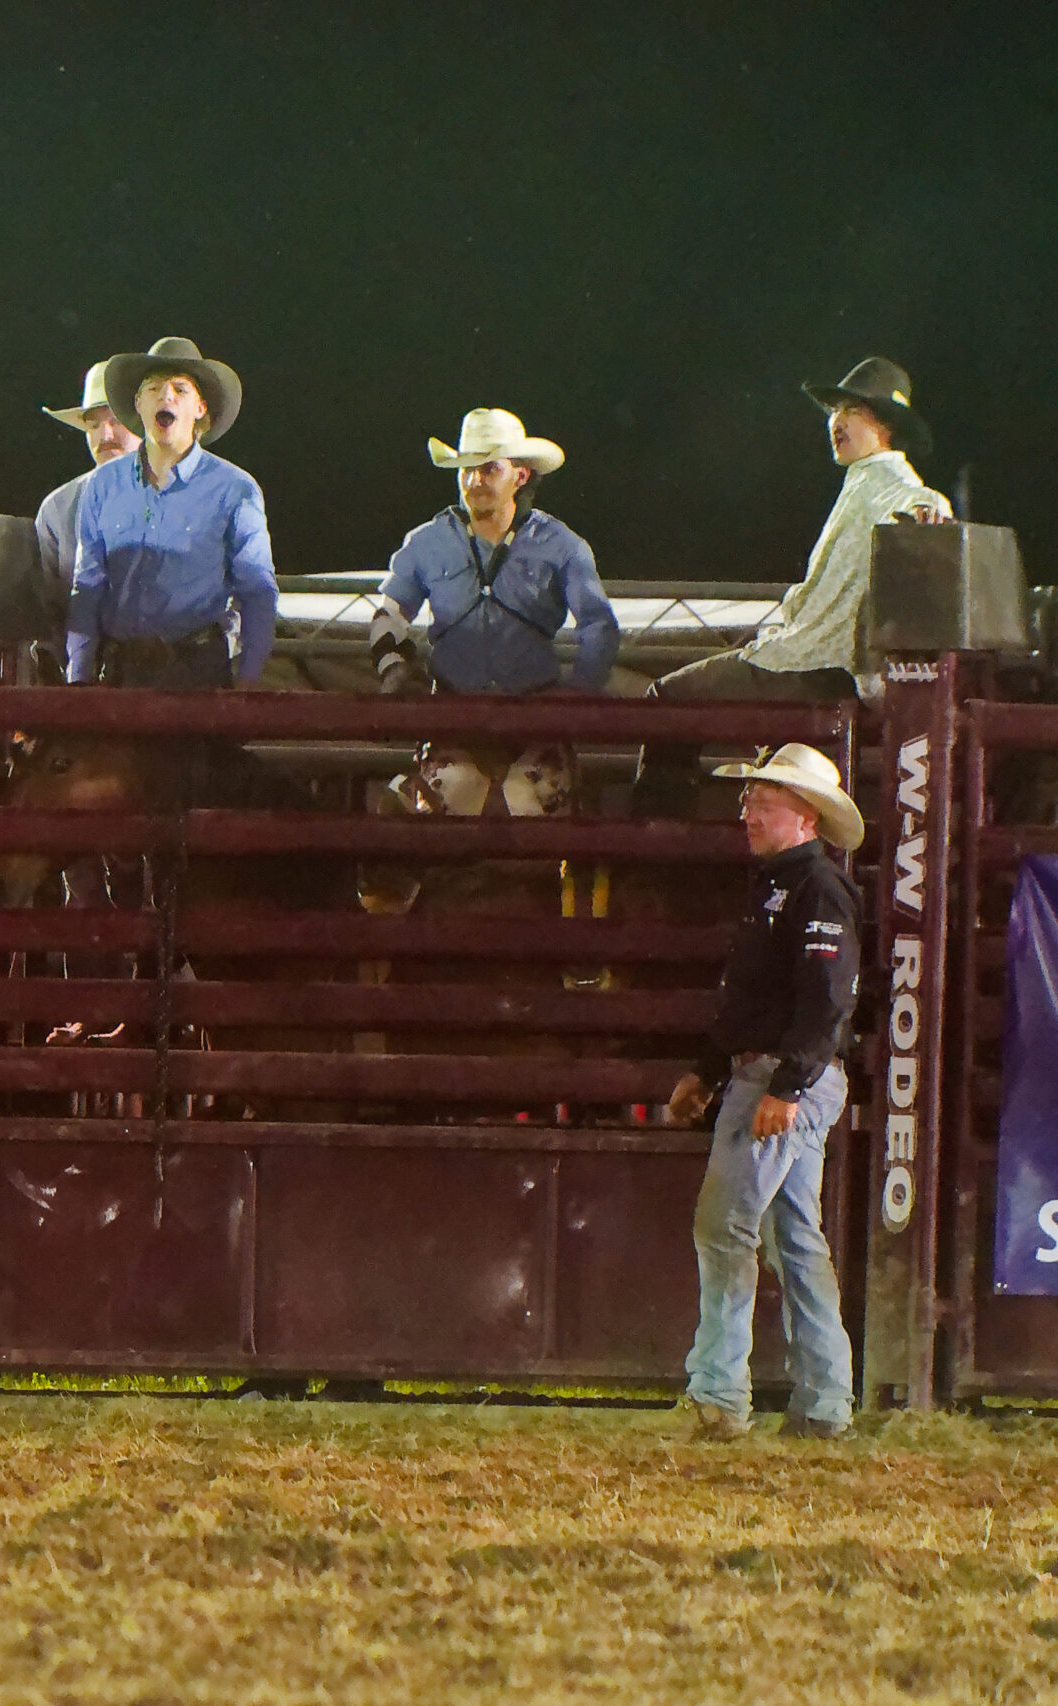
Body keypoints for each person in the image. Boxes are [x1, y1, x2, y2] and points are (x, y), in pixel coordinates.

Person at [630, 359, 952, 816]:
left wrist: (928, 508)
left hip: (811, 663)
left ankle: (657, 829)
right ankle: (683, 828)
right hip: (819, 663)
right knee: (774, 781)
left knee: (668, 697)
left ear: (883, 424)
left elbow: (917, 499)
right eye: (835, 411)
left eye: (851, 411)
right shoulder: (864, 481)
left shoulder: (887, 480)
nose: (836, 421)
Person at [664, 743, 864, 1441]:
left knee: (725, 1227)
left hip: (782, 1081)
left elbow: (825, 999)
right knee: (791, 1237)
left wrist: (786, 1083)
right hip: (779, 1076)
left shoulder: (815, 891)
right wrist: (710, 1067)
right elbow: (775, 996)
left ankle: (719, 1395)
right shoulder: (789, 885)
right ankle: (824, 1402)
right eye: (749, 800)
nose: (748, 812)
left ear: (803, 815)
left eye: (763, 801)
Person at [370, 408, 619, 818]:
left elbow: (599, 627)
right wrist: (394, 667)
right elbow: (389, 614)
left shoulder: (562, 545)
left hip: (535, 724)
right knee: (422, 814)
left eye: (488, 469)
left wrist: (577, 693)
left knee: (535, 821)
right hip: (454, 722)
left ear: (520, 477)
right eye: (466, 470)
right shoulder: (426, 542)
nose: (474, 481)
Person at [64, 337, 276, 690]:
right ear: (138, 404)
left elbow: (257, 591)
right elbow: (86, 587)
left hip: (198, 673)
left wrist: (249, 679)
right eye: (154, 388)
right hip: (121, 672)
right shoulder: (102, 485)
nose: (166, 396)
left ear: (200, 408)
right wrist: (80, 677)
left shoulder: (235, 489)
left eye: (180, 389)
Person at [31, 362, 137, 678]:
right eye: (93, 425)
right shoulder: (58, 508)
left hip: (171, 681)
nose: (105, 435)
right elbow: (44, 612)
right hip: (82, 686)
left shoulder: (187, 497)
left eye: (117, 421)